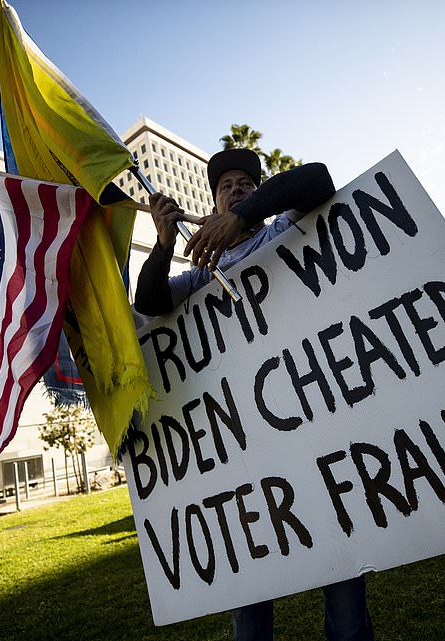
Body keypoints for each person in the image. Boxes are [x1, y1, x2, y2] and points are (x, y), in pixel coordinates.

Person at [133, 148, 375, 641]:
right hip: (246, 456)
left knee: (346, 599)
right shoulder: (203, 274)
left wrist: (244, 215)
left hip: (315, 440)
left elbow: (317, 179)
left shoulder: (285, 228)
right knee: (249, 611)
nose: (237, 188)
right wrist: (162, 244)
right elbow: (150, 302)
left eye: (246, 182)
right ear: (213, 204)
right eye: (226, 187)